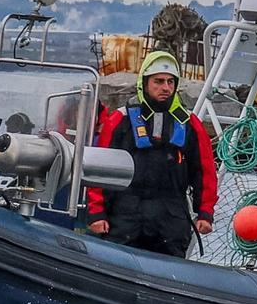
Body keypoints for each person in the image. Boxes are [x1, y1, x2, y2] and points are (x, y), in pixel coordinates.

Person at [86, 50, 217, 257]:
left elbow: (205, 172)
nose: (166, 88)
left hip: (171, 218)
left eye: (170, 82)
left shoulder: (190, 124)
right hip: (125, 215)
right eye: (158, 81)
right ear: (145, 83)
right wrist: (96, 213)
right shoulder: (120, 120)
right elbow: (99, 169)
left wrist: (205, 213)